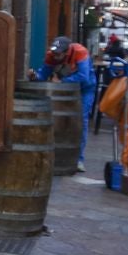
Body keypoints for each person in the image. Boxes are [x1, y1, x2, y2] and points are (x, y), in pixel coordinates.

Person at [38, 36, 96, 171]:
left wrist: (62, 82)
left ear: (67, 51)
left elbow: (83, 76)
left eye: (59, 53)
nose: (55, 55)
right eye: (54, 52)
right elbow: (43, 74)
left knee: (82, 120)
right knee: (61, 120)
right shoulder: (51, 55)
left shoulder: (80, 52)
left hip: (85, 89)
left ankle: (79, 159)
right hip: (65, 90)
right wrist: (35, 75)